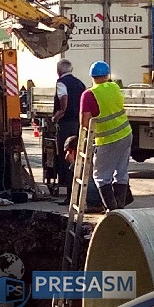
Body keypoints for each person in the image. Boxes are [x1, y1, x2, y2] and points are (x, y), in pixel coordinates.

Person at [80, 61, 132, 211]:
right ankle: (120, 207)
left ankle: (113, 210)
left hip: (107, 139)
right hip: (126, 134)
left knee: (101, 177)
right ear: (107, 75)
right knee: (121, 172)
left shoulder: (89, 94)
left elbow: (85, 122)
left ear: (92, 76)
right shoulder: (115, 87)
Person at [51, 59, 87, 205]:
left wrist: (59, 113)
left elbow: (63, 98)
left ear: (59, 71)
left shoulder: (61, 83)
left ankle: (70, 195)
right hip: (79, 123)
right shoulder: (80, 83)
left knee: (67, 158)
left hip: (66, 125)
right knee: (79, 157)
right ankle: (80, 194)